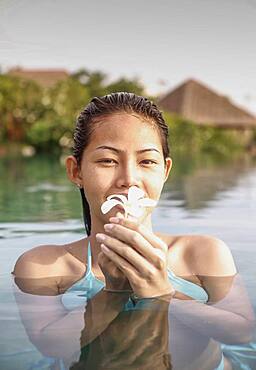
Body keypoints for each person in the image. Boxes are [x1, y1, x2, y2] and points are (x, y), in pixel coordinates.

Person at [12, 92, 255, 369]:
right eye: (107, 161)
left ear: (165, 171)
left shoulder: (202, 253)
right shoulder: (44, 265)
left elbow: (241, 331)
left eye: (146, 162)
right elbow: (50, 344)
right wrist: (113, 293)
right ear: (76, 171)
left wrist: (163, 291)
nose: (128, 180)